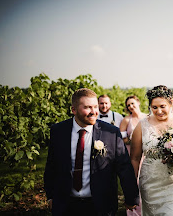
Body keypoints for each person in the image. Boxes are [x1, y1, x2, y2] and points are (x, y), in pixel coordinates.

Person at [44, 88, 139, 216]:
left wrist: (131, 197)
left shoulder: (110, 132)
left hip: (101, 204)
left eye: (95, 107)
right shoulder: (58, 131)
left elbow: (124, 167)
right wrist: (50, 196)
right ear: (74, 110)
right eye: (87, 107)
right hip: (65, 204)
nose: (94, 112)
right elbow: (51, 166)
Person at [131, 85, 173, 216]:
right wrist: (132, 186)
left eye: (162, 106)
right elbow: (135, 158)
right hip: (150, 184)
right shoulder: (142, 125)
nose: (159, 111)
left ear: (171, 103)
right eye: (154, 107)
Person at [119, 95, 146, 216]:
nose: (131, 106)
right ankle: (134, 211)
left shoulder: (147, 117)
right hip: (132, 155)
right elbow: (121, 139)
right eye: (128, 105)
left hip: (146, 155)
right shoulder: (126, 120)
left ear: (138, 102)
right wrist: (132, 139)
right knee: (134, 182)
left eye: (132, 103)